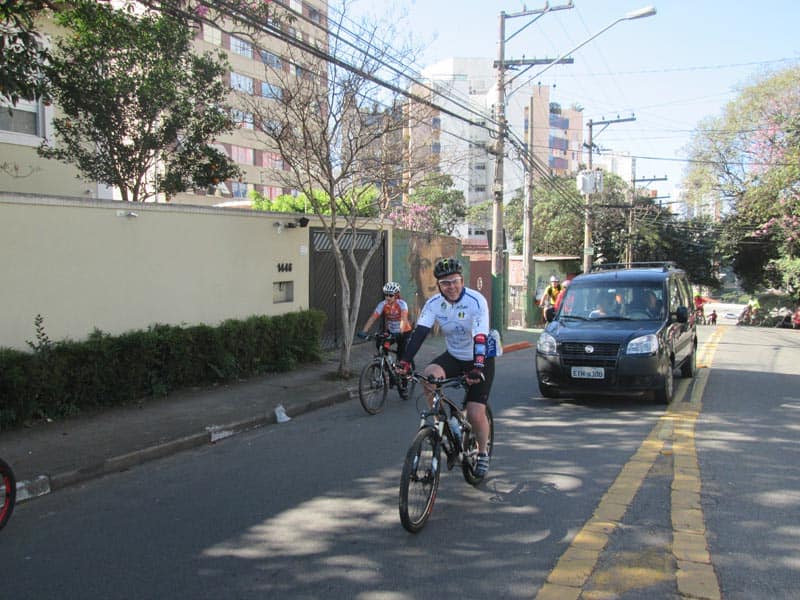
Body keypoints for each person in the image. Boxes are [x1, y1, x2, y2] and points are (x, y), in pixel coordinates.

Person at [396, 257, 494, 477]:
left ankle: (482, 452)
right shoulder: (433, 304)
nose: (451, 287)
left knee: (475, 412)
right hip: (454, 355)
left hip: (480, 359)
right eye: (445, 283)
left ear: (462, 280)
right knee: (428, 377)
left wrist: (478, 367)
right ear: (439, 285)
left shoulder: (476, 301)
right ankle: (443, 422)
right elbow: (419, 333)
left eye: (455, 281)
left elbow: (480, 337)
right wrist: (404, 362)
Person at [357, 281, 413, 395]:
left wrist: (400, 332)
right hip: (391, 331)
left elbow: (403, 319)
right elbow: (373, 318)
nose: (388, 297)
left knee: (401, 359)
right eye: (386, 295)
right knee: (380, 344)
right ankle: (388, 369)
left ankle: (404, 385)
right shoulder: (383, 304)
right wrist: (364, 331)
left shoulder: (402, 304)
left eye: (390, 295)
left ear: (396, 295)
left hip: (404, 332)